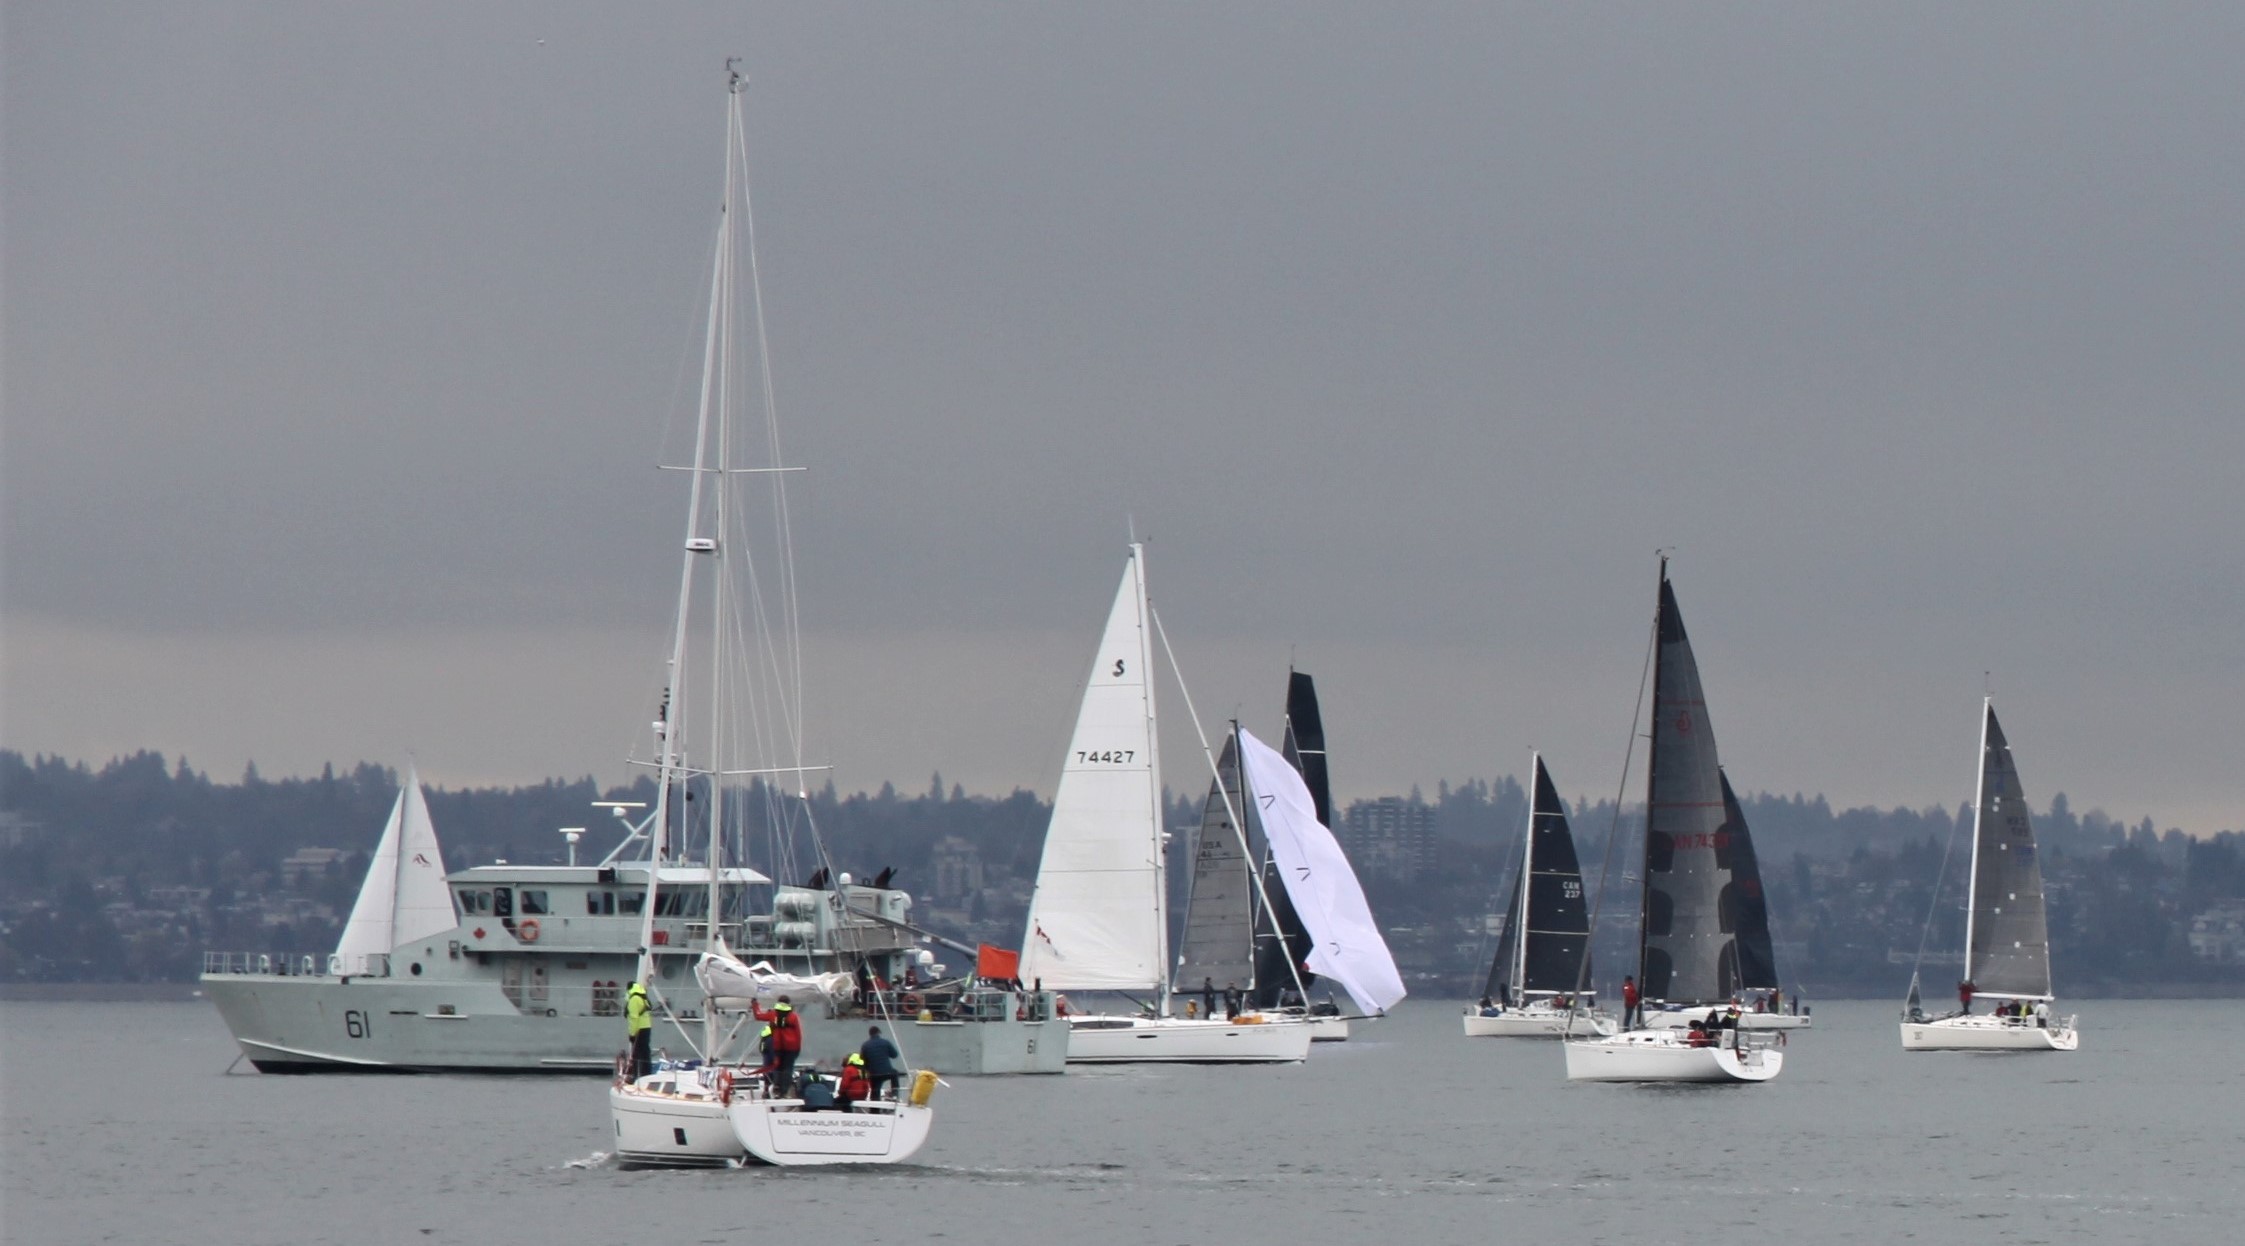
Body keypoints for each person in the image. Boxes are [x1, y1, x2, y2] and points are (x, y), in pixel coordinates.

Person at [752, 994, 804, 1092]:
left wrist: (755, 1004)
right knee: (788, 1068)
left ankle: (776, 1087)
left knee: (777, 1067)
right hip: (791, 1047)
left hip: (778, 1046)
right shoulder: (794, 1016)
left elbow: (758, 1016)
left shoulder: (773, 1014)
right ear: (788, 1004)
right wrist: (798, 1048)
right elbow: (798, 1033)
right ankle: (785, 1090)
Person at [860, 1025, 903, 1101]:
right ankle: (894, 1094)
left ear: (870, 1034)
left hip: (873, 1074)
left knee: (875, 1090)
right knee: (895, 1073)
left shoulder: (865, 1045)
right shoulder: (885, 1042)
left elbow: (862, 1060)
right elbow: (894, 1055)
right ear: (879, 1033)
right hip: (887, 1072)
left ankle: (874, 1105)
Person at [624, 980, 653, 1079]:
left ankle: (635, 1075)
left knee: (636, 1053)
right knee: (645, 1053)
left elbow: (634, 1018)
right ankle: (647, 1075)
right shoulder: (642, 997)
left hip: (639, 1028)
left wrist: (632, 1034)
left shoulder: (634, 999)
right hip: (646, 1026)